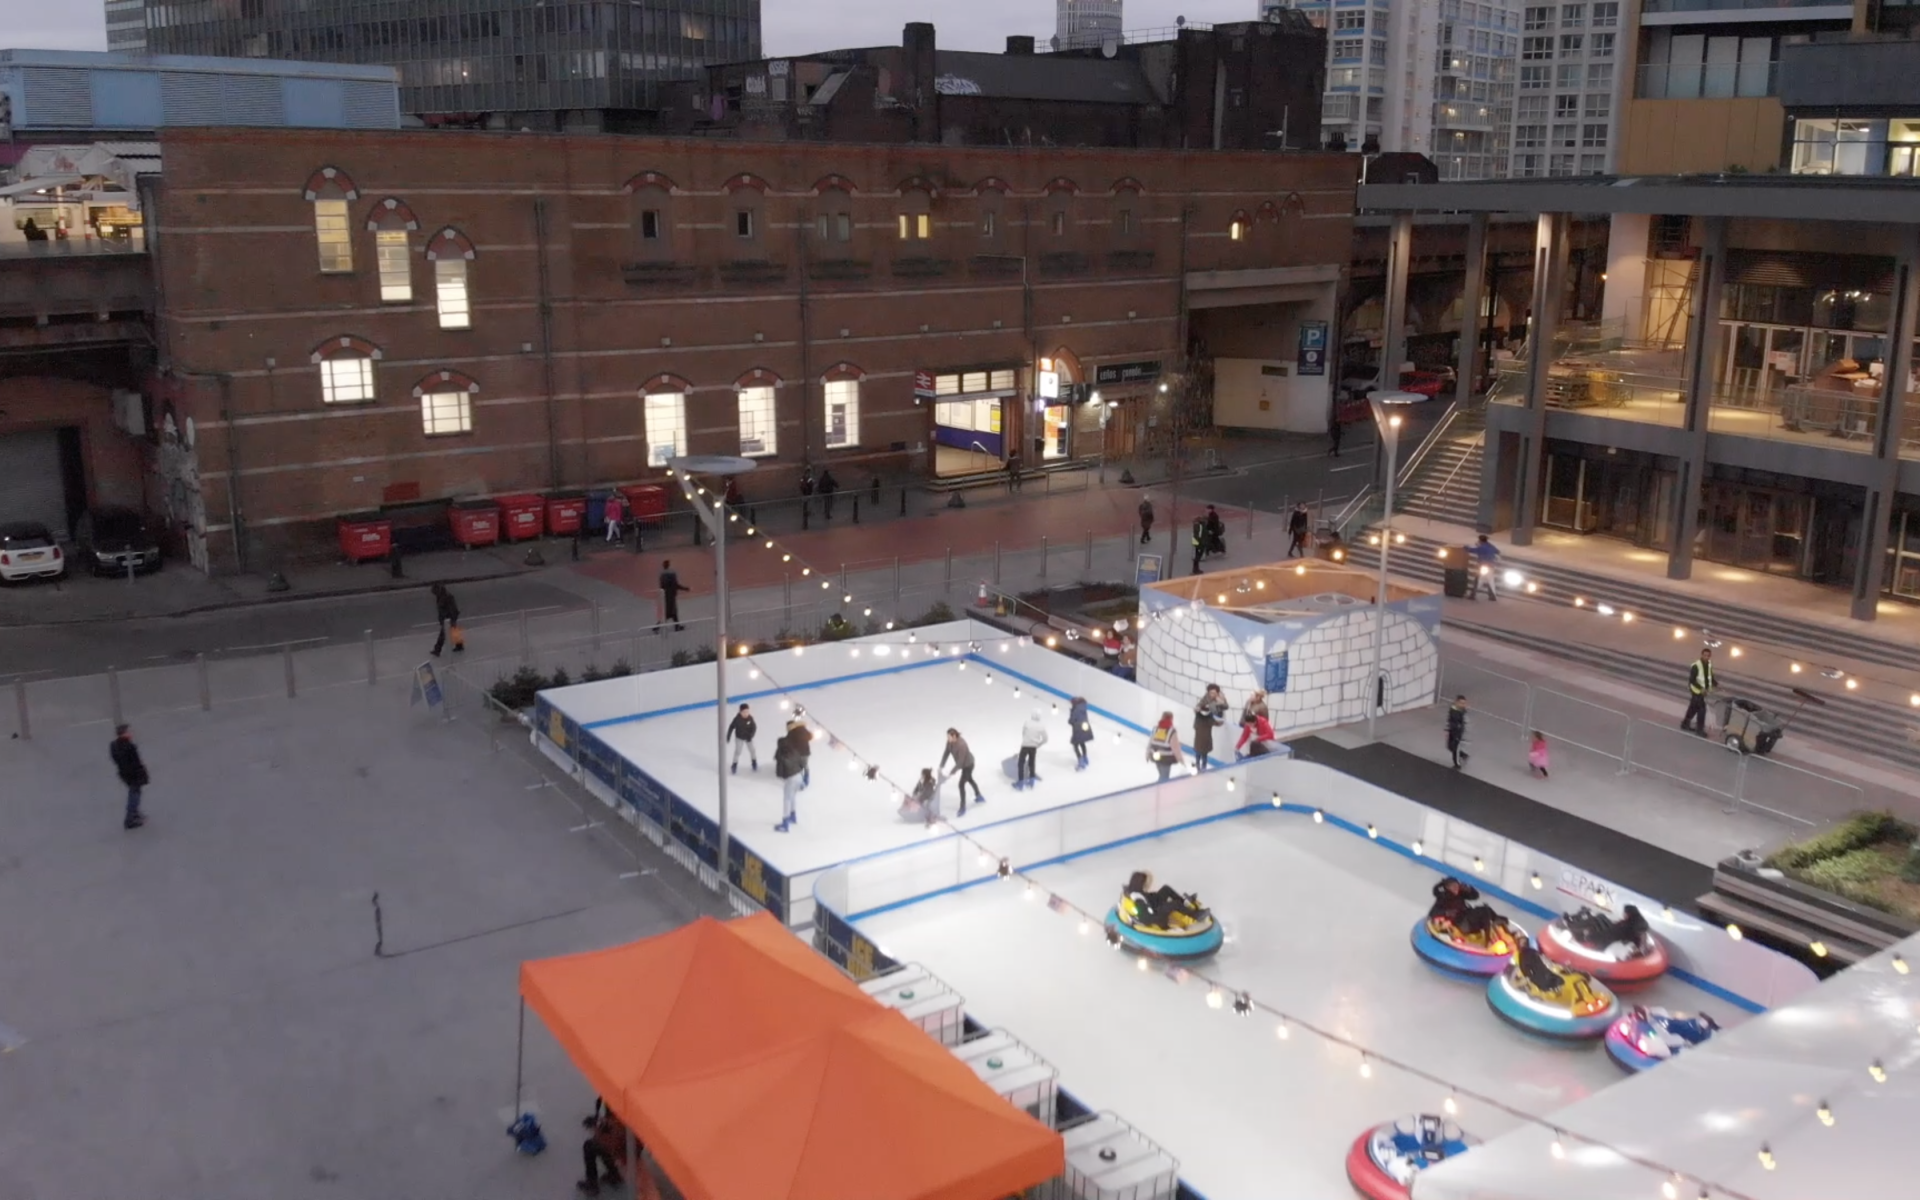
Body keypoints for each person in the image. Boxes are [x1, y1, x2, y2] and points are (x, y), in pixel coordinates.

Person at [577, 1097, 628, 1196]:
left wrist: (600, 1126)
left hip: (620, 1141)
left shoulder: (614, 1102)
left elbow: (613, 1126)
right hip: (623, 1138)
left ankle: (592, 1184)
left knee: (589, 1146)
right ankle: (614, 1174)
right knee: (599, 1142)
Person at [110, 724, 149, 830]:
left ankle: (134, 813)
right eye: (127, 731)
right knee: (134, 794)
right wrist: (140, 772)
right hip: (133, 774)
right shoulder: (128, 746)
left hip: (125, 774)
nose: (130, 733)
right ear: (123, 734)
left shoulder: (114, 745)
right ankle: (130, 818)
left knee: (135, 792)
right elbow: (134, 762)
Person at [774, 721, 807, 832]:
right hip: (798, 776)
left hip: (791, 778)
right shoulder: (796, 752)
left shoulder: (783, 756)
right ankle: (793, 816)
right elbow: (802, 763)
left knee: (787, 799)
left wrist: (781, 774)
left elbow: (779, 760)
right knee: (792, 797)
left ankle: (785, 822)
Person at [940, 728, 982, 814]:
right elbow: (946, 753)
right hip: (963, 764)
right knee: (969, 779)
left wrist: (951, 772)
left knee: (961, 784)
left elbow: (960, 762)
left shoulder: (962, 745)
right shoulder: (949, 742)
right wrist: (942, 765)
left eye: (949, 737)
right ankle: (978, 795)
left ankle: (962, 807)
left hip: (968, 765)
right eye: (947, 737)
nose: (948, 739)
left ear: (954, 736)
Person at [1191, 684, 1227, 773]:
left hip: (1203, 738)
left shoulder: (1220, 699)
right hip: (1203, 737)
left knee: (1201, 753)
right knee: (1201, 753)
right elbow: (1198, 706)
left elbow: (1225, 707)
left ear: (1217, 693)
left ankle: (1201, 767)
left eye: (1214, 693)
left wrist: (1221, 704)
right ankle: (1201, 767)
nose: (1212, 694)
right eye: (1210, 692)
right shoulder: (1205, 700)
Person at [1682, 647, 1715, 736]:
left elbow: (1710, 677)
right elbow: (1692, 680)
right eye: (1704, 655)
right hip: (1696, 691)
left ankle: (1685, 723)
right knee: (1702, 709)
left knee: (1693, 708)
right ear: (1701, 655)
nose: (1706, 657)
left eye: (1708, 656)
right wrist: (1701, 688)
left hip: (1702, 692)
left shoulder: (1708, 665)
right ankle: (1699, 729)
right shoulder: (1696, 665)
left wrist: (1716, 684)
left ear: (1710, 657)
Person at [1147, 712, 1184, 781]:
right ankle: (1158, 790)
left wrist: (1147, 754)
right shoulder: (1171, 731)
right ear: (1171, 719)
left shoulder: (1156, 728)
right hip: (1166, 758)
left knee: (1162, 776)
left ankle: (1158, 790)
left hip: (1155, 755)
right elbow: (1175, 747)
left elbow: (1151, 742)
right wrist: (1180, 759)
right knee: (1164, 778)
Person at [1016, 709, 1048, 789]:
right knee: (1032, 762)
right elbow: (1045, 739)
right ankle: (1031, 780)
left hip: (1025, 745)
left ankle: (1020, 782)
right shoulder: (1041, 726)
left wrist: (1026, 740)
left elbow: (1023, 733)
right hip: (1033, 746)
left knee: (1021, 763)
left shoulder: (1027, 723)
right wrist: (1038, 744)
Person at [429, 582, 463, 656]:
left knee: (443, 634)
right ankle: (459, 645)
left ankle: (437, 650)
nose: (434, 594)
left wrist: (449, 618)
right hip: (448, 617)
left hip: (449, 617)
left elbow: (450, 608)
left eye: (434, 592)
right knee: (453, 630)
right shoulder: (441, 595)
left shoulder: (446, 597)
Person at [727, 703, 759, 774]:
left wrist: (751, 735)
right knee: (738, 751)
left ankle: (754, 762)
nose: (746, 713)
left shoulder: (750, 718)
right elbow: (731, 727)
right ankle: (734, 764)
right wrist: (728, 736)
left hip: (748, 737)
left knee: (752, 750)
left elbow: (754, 727)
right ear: (740, 712)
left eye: (747, 711)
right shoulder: (737, 719)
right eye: (744, 712)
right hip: (739, 738)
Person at [1468, 534, 1501, 601]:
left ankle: (1473, 595)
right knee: (1490, 581)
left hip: (1483, 566)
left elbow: (1472, 550)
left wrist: (1465, 547)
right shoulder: (1491, 546)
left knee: (1478, 580)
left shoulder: (1481, 547)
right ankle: (1492, 596)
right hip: (1491, 566)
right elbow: (1497, 551)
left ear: (1480, 540)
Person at [657, 560, 685, 632]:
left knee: (667, 611)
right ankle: (677, 626)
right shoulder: (672, 574)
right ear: (669, 565)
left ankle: (658, 626)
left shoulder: (662, 575)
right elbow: (676, 585)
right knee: (673, 611)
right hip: (672, 595)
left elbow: (661, 586)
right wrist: (685, 588)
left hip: (666, 596)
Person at [1068, 697, 1093, 770]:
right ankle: (1085, 757)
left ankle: (1080, 760)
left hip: (1078, 729)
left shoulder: (1075, 710)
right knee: (1082, 743)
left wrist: (1070, 719)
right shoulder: (1083, 709)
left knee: (1075, 745)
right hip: (1085, 729)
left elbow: (1072, 720)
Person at [1445, 695, 1470, 769]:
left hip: (1457, 732)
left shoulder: (1462, 712)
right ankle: (1463, 755)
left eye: (1464, 703)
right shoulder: (1453, 709)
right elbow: (1450, 720)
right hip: (1452, 730)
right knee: (1450, 746)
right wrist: (1447, 729)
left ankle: (1457, 764)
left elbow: (1462, 722)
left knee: (1455, 748)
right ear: (1457, 702)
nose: (1463, 705)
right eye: (1461, 703)